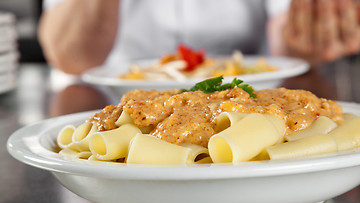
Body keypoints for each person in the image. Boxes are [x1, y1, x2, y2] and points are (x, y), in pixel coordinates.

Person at [38, 0, 360, 115]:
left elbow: (286, 37)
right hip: (113, 102)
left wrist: (316, 28)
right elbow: (69, 55)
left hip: (249, 103)